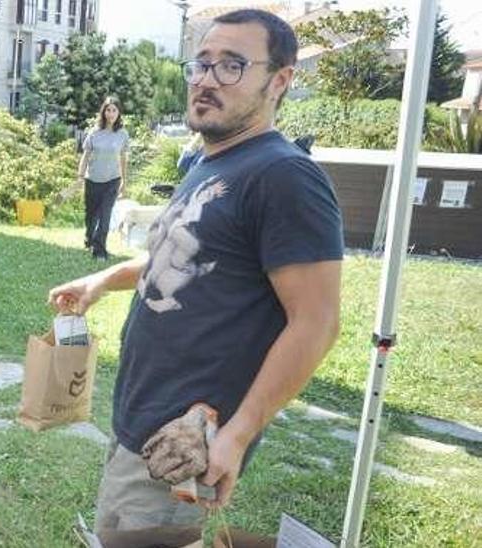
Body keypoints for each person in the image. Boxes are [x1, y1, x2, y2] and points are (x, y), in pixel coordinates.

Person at [48, 9, 344, 538]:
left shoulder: (283, 176)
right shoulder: (208, 161)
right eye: (201, 64)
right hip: (144, 418)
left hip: (188, 441)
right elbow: (179, 253)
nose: (207, 79)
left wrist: (236, 435)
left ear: (280, 80)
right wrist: (101, 281)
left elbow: (316, 323)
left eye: (232, 65)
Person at [78, 97, 130, 260]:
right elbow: (85, 155)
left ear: (119, 112)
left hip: (112, 181)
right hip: (92, 179)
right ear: (104, 111)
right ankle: (89, 237)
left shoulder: (123, 134)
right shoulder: (94, 132)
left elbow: (122, 158)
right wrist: (80, 175)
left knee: (105, 215)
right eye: (108, 110)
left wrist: (124, 181)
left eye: (114, 110)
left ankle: (100, 249)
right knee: (91, 215)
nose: (111, 113)